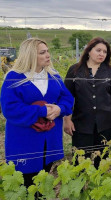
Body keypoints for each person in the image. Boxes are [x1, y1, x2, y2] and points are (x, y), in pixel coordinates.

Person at [0, 38, 74, 188]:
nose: (48, 55)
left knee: (44, 179)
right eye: (42, 52)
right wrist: (42, 111)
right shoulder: (14, 77)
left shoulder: (54, 75)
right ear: (30, 55)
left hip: (50, 139)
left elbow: (67, 98)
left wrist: (60, 109)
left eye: (47, 51)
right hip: (24, 142)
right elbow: (10, 109)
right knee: (27, 184)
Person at [63, 37, 111, 169]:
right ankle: (80, 188)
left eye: (105, 51)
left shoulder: (110, 70)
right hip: (81, 123)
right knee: (79, 160)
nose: (102, 54)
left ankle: (100, 186)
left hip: (105, 123)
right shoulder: (74, 70)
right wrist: (67, 120)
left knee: (102, 159)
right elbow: (67, 97)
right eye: (98, 50)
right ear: (89, 51)